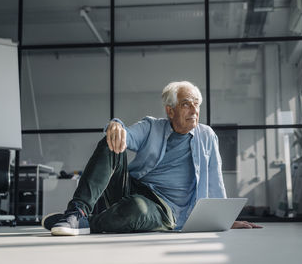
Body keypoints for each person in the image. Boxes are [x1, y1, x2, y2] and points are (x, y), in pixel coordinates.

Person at [42, 81, 261, 235]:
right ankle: (76, 213)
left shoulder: (207, 136)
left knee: (138, 208)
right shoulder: (152, 126)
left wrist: (224, 220)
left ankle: (85, 222)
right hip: (132, 188)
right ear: (170, 110)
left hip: (166, 210)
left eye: (196, 104)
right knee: (111, 141)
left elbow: (215, 179)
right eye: (186, 104)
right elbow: (126, 135)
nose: (194, 109)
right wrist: (116, 126)